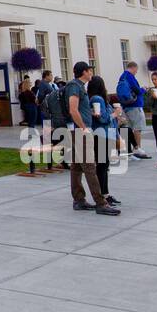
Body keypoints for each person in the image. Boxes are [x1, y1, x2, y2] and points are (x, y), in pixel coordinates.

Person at [65, 61, 118, 215]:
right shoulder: (75, 86)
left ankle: (79, 200)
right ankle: (101, 203)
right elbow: (73, 110)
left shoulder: (80, 87)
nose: (91, 73)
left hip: (79, 130)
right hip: (81, 131)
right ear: (84, 72)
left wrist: (90, 113)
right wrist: (83, 128)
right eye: (89, 70)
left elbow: (79, 108)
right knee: (89, 167)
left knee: (76, 167)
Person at [88, 75, 122, 205]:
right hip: (102, 135)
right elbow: (102, 118)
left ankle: (105, 193)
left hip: (104, 134)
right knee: (102, 166)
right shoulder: (97, 99)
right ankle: (103, 194)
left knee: (104, 165)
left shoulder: (97, 99)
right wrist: (115, 114)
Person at [116, 61, 152, 159]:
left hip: (126, 105)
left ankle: (127, 149)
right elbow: (136, 90)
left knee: (127, 127)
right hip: (135, 105)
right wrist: (144, 89)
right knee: (137, 128)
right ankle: (138, 148)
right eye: (136, 70)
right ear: (134, 68)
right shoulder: (130, 76)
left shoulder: (122, 76)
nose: (136, 72)